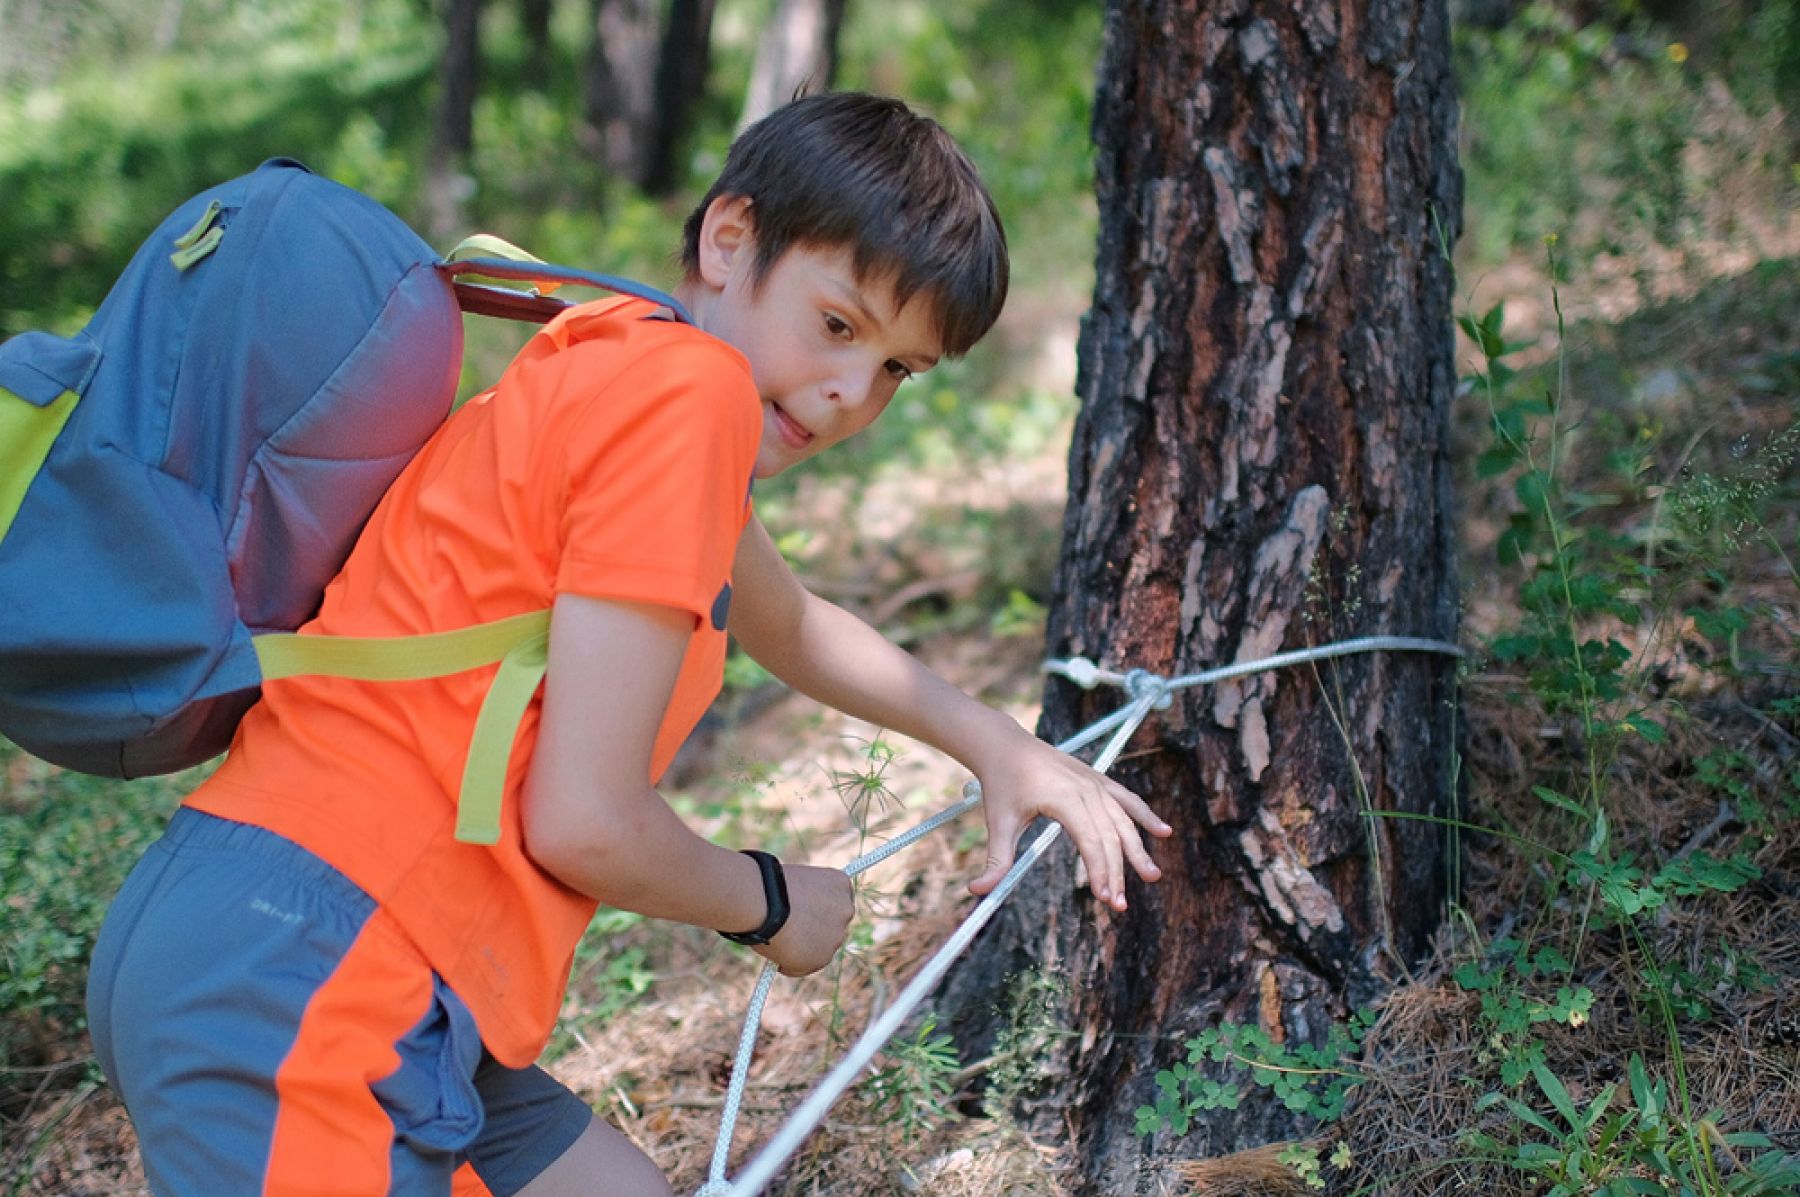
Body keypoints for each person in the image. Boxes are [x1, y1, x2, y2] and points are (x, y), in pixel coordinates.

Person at [85, 91, 1171, 1197]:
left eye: (898, 369)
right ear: (729, 239)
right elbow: (587, 824)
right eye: (839, 326)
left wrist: (998, 744)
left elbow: (785, 621)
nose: (853, 393)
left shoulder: (619, 359)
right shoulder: (687, 400)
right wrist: (772, 903)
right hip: (310, 971)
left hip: (345, 961)